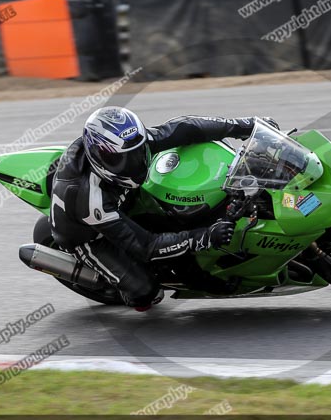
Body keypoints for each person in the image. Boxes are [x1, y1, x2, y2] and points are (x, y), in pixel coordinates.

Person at [49, 106, 272, 311]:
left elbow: (187, 128)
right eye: (123, 160)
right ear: (100, 157)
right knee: (146, 294)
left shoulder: (132, 143)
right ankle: (110, 280)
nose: (135, 163)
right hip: (90, 236)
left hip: (124, 204)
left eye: (137, 152)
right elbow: (145, 245)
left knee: (184, 215)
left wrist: (247, 126)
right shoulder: (89, 197)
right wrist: (203, 237)